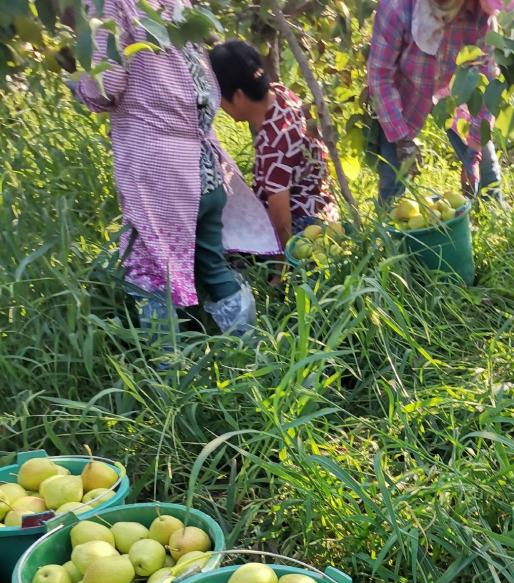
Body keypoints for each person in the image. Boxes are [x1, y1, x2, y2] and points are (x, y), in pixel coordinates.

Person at [70, 0, 279, 343]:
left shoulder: (113, 5)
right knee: (213, 267)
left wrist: (80, 85)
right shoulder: (174, 2)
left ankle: (172, 376)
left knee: (152, 277)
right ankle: (252, 348)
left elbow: (105, 84)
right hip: (205, 167)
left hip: (161, 176)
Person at [367, 0, 507, 202]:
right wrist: (402, 141)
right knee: (394, 174)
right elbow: (380, 77)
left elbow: (486, 82)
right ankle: (391, 226)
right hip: (406, 89)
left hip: (458, 87)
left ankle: (495, 221)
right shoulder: (397, 8)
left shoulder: (480, 14)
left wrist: (474, 152)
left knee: (486, 172)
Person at [209, 40, 338, 249]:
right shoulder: (282, 94)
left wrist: (280, 273)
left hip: (304, 226)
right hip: (323, 207)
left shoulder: (273, 146)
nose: (219, 105)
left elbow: (282, 224)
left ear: (239, 96)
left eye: (220, 97)